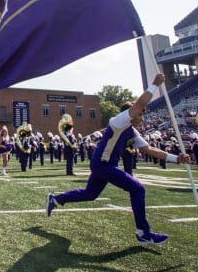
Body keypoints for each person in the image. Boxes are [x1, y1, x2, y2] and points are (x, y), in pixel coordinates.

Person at [46, 74, 190, 246]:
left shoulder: (132, 131)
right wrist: (154, 85)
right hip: (102, 163)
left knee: (90, 194)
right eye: (140, 115)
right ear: (132, 114)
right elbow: (139, 105)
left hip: (105, 165)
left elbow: (149, 150)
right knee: (138, 189)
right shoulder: (119, 120)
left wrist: (177, 158)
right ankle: (143, 232)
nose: (142, 118)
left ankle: (56, 199)